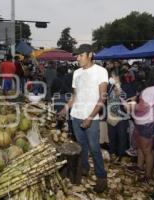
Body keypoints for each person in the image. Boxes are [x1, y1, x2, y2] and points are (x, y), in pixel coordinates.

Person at [58, 44, 108, 193]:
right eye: (77, 55)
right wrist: (65, 109)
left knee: (94, 148)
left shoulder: (101, 71)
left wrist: (91, 117)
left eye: (80, 55)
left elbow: (102, 97)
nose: (77, 58)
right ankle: (85, 168)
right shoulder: (77, 73)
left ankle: (101, 177)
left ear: (90, 54)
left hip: (91, 117)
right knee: (82, 146)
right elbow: (75, 96)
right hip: (76, 116)